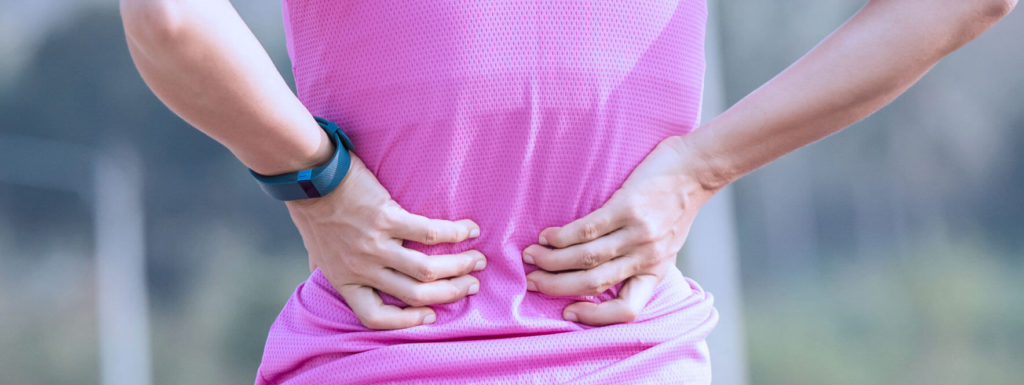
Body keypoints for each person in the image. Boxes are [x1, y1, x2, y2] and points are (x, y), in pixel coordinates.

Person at [120, 0, 1016, 383]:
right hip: (628, 357)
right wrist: (702, 165)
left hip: (380, 356)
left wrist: (316, 178)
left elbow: (165, 19)